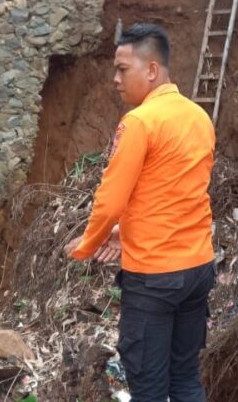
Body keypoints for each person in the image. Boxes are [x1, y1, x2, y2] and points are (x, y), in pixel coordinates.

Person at [63, 23, 216, 402]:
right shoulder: (198, 117)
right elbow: (175, 194)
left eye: (122, 69)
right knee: (185, 379)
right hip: (198, 269)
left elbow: (111, 201)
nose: (115, 79)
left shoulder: (140, 122)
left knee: (148, 390)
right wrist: (123, 234)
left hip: (155, 280)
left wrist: (87, 245)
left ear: (151, 70)